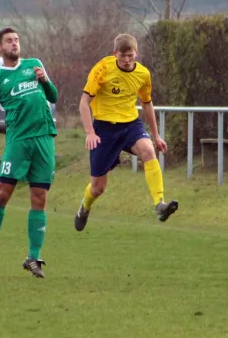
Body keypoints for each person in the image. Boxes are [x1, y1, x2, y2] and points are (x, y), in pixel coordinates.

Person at [74, 34, 178, 231]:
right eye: (123, 56)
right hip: (104, 128)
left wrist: (156, 136)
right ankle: (84, 207)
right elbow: (83, 102)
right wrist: (90, 132)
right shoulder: (103, 69)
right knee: (98, 188)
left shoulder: (143, 74)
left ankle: (159, 205)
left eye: (131, 55)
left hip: (130, 125)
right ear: (115, 54)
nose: (127, 60)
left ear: (136, 53)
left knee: (148, 151)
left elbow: (147, 103)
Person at [0, 27, 58, 278]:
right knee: (3, 194)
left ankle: (33, 257)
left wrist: (45, 80)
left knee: (40, 197)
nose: (14, 44)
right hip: (17, 142)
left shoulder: (34, 65)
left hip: (44, 138)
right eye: (9, 41)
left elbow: (53, 96)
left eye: (17, 40)